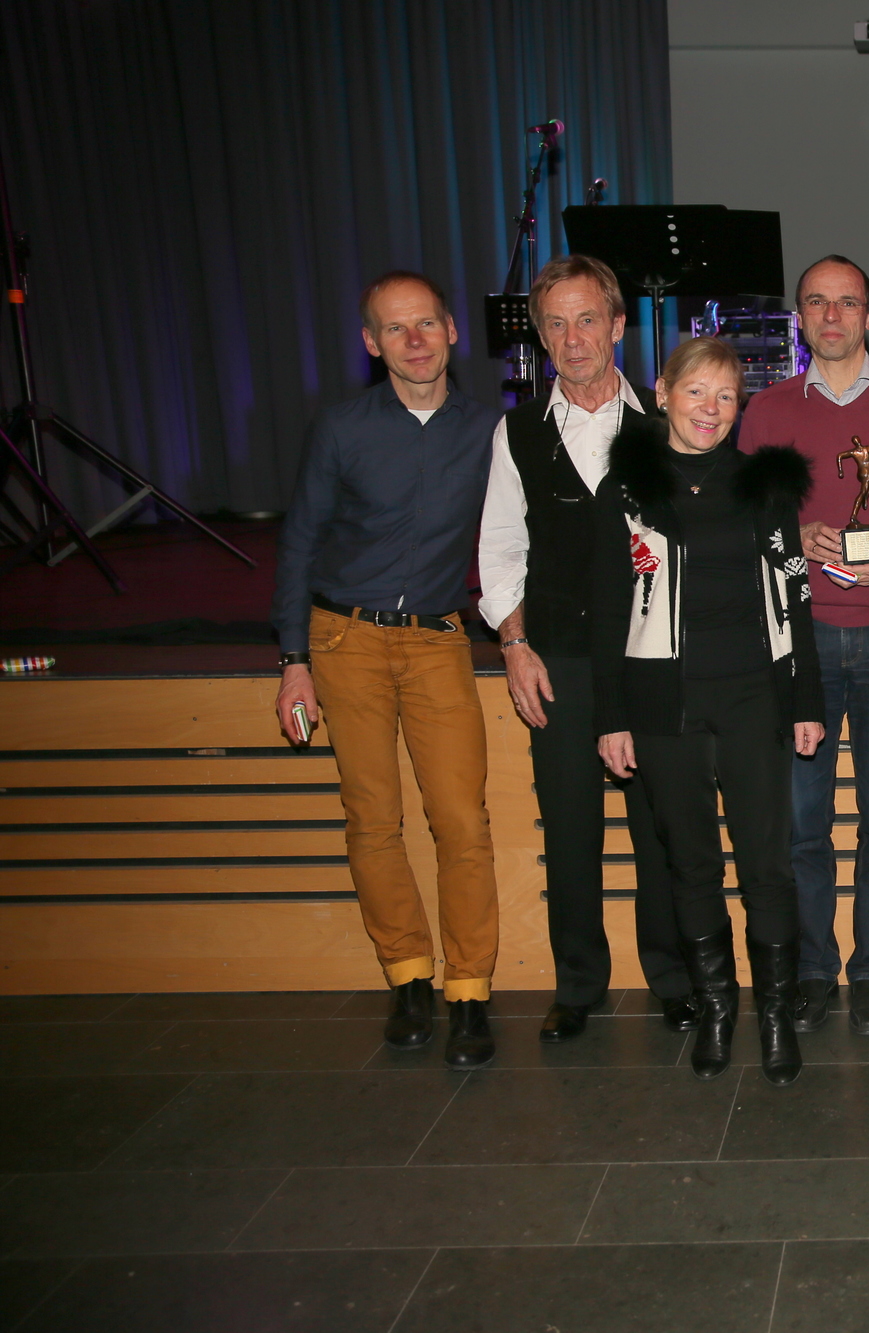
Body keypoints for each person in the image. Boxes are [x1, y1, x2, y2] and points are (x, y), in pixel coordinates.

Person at [272, 271, 501, 1068]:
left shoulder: (491, 430)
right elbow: (299, 542)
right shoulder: (341, 428)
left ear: (452, 331)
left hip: (438, 640)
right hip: (345, 640)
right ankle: (408, 977)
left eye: (426, 323)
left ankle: (469, 989)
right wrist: (294, 660)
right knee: (373, 817)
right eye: (395, 328)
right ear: (372, 343)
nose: (414, 340)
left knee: (461, 820)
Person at [592, 336, 824, 1086]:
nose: (711, 408)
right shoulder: (625, 491)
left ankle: (777, 1015)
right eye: (696, 391)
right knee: (689, 865)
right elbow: (608, 611)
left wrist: (806, 700)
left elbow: (795, 596)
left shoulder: (766, 486)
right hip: (664, 704)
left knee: (767, 866)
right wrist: (610, 717)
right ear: (663, 393)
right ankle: (718, 1010)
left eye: (726, 396)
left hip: (755, 698)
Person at [477, 254, 697, 1046]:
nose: (573, 339)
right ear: (541, 337)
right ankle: (577, 983)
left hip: (651, 660)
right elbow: (500, 550)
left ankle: (672, 976)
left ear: (618, 325)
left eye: (587, 320)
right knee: (570, 830)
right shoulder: (517, 433)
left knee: (660, 828)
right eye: (556, 324)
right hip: (559, 659)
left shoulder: (667, 426)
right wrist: (514, 644)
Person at [738, 256, 869, 1037]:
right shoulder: (766, 412)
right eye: (816, 303)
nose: (831, 316)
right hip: (803, 641)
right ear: (799, 318)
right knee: (802, 823)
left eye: (846, 302)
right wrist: (794, 539)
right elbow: (746, 533)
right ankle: (815, 968)